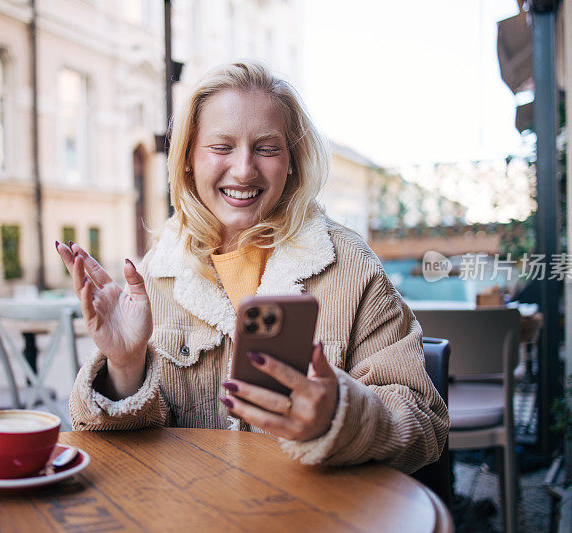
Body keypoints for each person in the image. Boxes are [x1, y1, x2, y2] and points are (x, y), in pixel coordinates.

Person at [56, 60, 448, 471]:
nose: (244, 169)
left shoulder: (350, 266)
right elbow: (129, 449)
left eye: (267, 148)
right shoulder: (157, 271)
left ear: (292, 160)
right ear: (188, 157)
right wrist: (124, 366)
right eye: (221, 147)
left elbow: (425, 423)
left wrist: (339, 415)